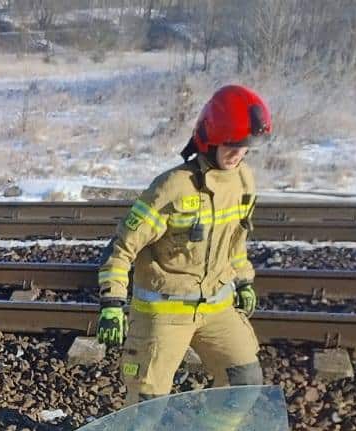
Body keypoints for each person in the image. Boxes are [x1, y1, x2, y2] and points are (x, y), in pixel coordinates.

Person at [96, 84, 271, 403]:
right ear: (211, 139)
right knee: (147, 404)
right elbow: (121, 248)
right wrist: (112, 302)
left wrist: (244, 281)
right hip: (164, 312)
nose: (238, 154)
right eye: (231, 145)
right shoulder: (173, 187)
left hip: (216, 308)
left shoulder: (243, 181)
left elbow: (236, 241)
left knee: (244, 382)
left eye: (245, 147)